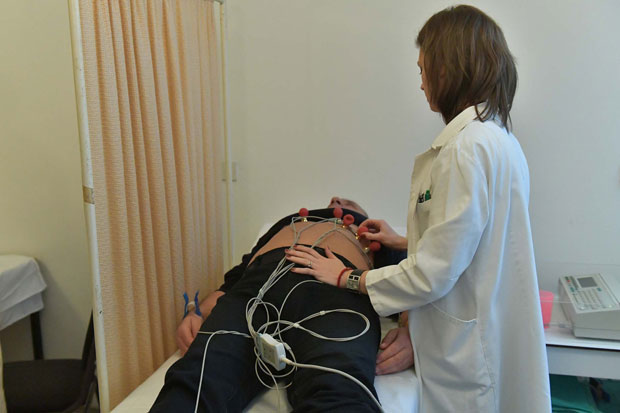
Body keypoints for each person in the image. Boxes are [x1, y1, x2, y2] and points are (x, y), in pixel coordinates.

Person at [285, 6, 552, 413]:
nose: (421, 83)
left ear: (447, 70)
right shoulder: (497, 139)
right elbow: (474, 239)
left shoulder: (464, 150)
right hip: (481, 332)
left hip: (466, 353)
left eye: (424, 70)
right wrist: (403, 240)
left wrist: (347, 277)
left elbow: (432, 274)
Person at [150, 197, 406, 412]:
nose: (336, 200)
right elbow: (230, 285)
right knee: (196, 383)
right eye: (334, 201)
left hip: (338, 291)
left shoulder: (380, 236)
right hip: (257, 286)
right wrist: (196, 313)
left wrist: (410, 332)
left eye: (349, 203)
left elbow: (409, 285)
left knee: (339, 392)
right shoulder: (284, 226)